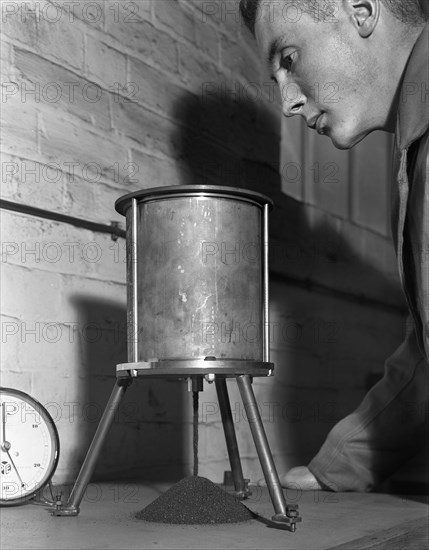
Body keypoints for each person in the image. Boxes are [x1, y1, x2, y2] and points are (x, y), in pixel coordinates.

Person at [239, 0, 429, 491]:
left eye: (289, 59)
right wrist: (335, 471)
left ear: (361, 10)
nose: (288, 102)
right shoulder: (413, 146)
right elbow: (424, 362)